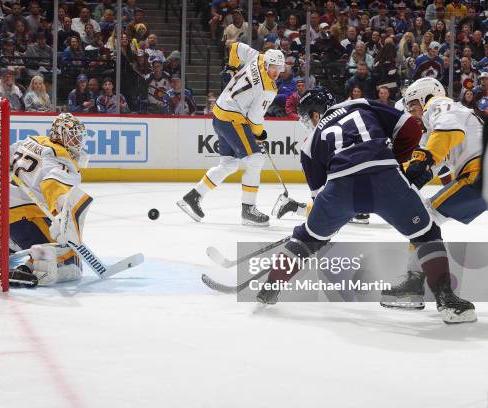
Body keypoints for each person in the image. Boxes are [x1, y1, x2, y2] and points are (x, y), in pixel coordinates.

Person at [263, 87, 477, 324]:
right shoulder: (361, 103)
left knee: (305, 239)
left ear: (316, 114)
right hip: (386, 178)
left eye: (307, 117)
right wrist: (394, 162)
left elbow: (319, 196)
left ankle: (269, 288)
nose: (307, 123)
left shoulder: (309, 143)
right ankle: (446, 300)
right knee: (426, 233)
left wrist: (319, 231)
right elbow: (411, 129)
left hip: (340, 188)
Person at [380, 78, 486, 312]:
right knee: (424, 215)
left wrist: (427, 157)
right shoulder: (439, 128)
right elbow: (425, 167)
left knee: (424, 218)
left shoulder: (440, 104)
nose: (413, 112)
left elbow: (441, 137)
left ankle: (417, 284)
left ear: (426, 96)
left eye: (414, 105)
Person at [177, 43, 285, 226]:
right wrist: (259, 134)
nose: (275, 72)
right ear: (266, 64)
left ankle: (193, 197)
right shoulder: (269, 89)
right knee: (256, 160)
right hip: (232, 119)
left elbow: (234, 46)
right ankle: (248, 210)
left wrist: (232, 67)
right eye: (272, 67)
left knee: (229, 164)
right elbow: (254, 118)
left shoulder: (257, 57)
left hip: (219, 113)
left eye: (279, 68)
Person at [4, 113, 91, 286]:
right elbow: (52, 183)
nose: (78, 142)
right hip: (19, 218)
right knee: (71, 260)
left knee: (41, 220)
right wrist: (61, 214)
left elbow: (0, 156)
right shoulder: (60, 155)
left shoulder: (31, 140)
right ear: (62, 135)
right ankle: (29, 268)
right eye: (74, 136)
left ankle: (4, 244)